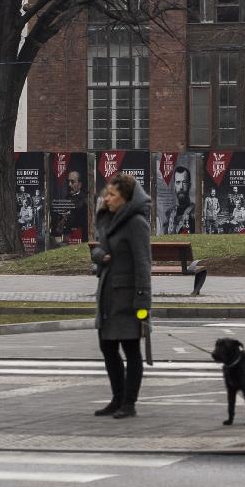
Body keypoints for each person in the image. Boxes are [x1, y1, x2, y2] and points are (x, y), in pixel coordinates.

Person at [89, 172, 151, 419]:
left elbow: (143, 264)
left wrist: (143, 303)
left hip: (127, 299)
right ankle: (117, 397)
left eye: (113, 195)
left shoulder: (136, 223)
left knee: (131, 348)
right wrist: (99, 256)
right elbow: (99, 248)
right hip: (108, 296)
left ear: (125, 198)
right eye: (107, 194)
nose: (108, 198)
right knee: (107, 346)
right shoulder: (110, 220)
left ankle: (129, 402)